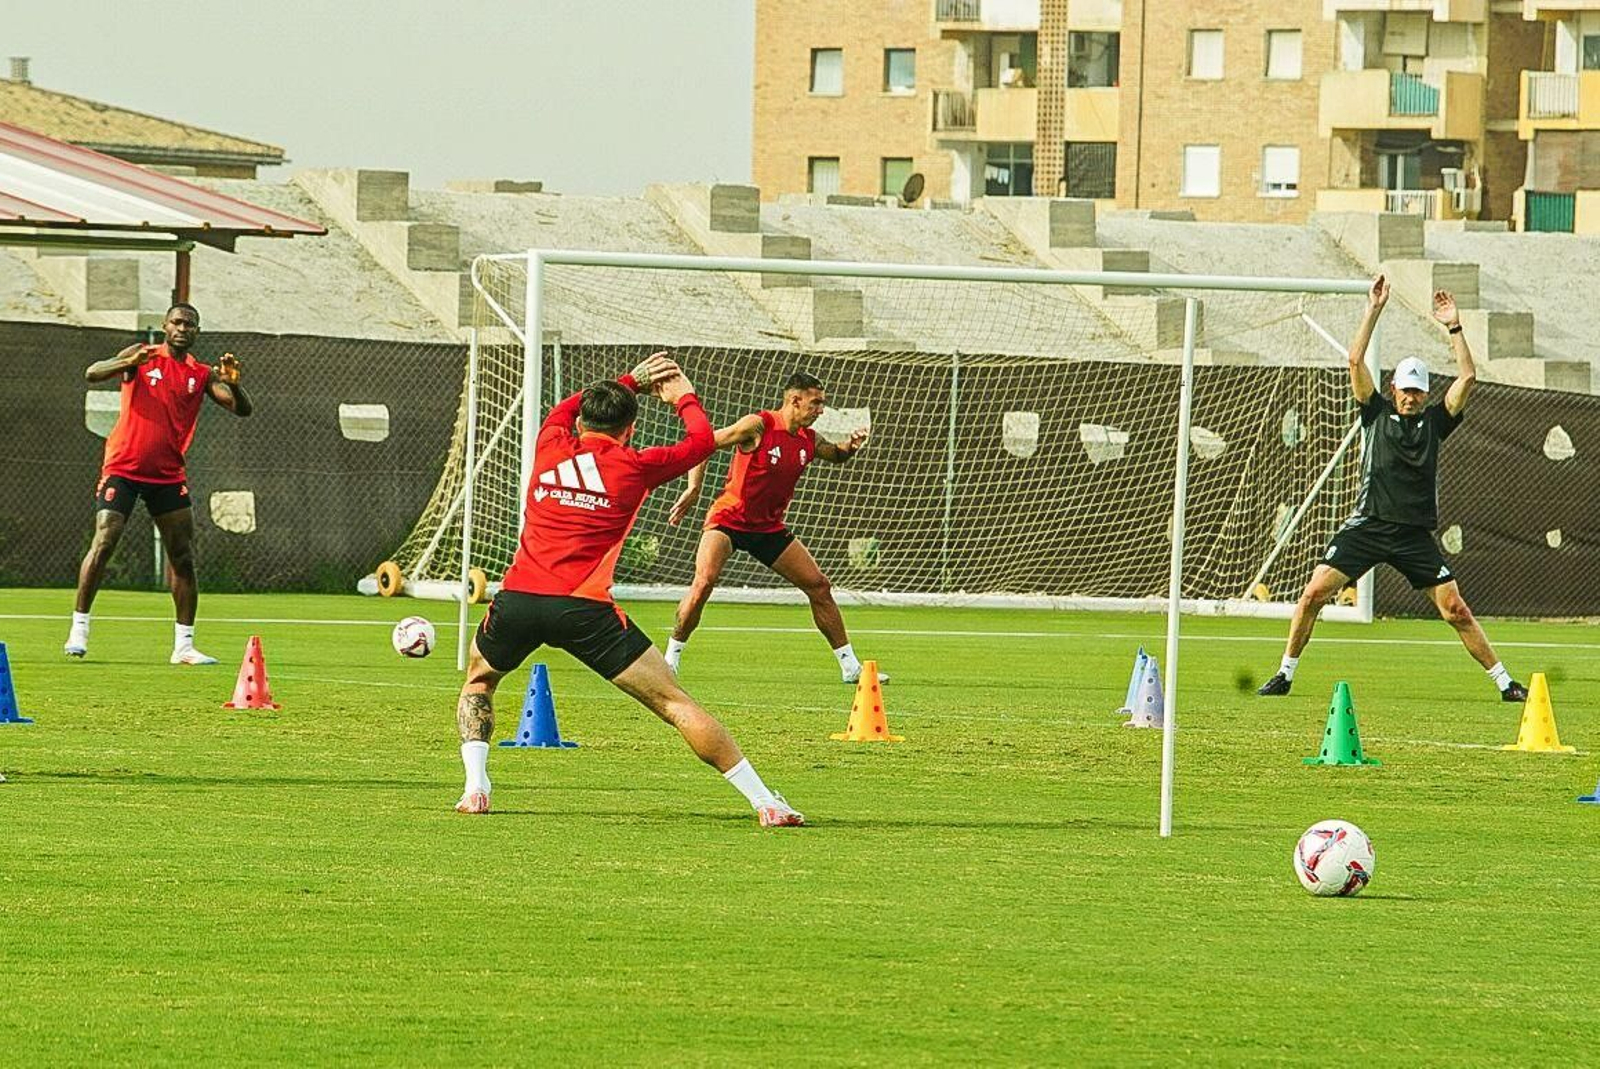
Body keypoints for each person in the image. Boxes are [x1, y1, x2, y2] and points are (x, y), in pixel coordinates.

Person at [454, 352, 803, 827]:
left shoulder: (550, 441)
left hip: (519, 600)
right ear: (631, 429)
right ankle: (765, 801)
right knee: (675, 704)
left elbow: (564, 408)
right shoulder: (637, 466)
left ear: (581, 421)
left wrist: (630, 381)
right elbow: (701, 443)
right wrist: (683, 397)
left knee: (479, 681)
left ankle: (476, 788)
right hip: (585, 609)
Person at [1257, 277, 1527, 703]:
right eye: (1406, 389)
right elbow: (1353, 359)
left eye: (1419, 390)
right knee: (1312, 594)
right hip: (1368, 526)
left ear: (1425, 393)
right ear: (1394, 389)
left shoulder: (1436, 422)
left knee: (1456, 610)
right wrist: (1374, 308)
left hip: (1413, 536)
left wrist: (1454, 327)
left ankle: (1506, 683)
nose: (1412, 397)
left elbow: (1469, 376)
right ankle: (1284, 674)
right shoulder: (1374, 412)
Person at [664, 372, 885, 684]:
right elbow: (704, 444)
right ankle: (671, 657)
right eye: (816, 402)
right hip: (728, 520)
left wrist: (851, 445)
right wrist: (694, 489)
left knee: (819, 586)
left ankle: (850, 667)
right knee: (705, 581)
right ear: (795, 400)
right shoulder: (758, 425)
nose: (821, 409)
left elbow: (836, 455)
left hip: (768, 529)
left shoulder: (809, 439)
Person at [65, 303, 253, 664]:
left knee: (182, 556)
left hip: (167, 475)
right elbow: (92, 372)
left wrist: (234, 385)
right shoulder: (140, 355)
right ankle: (80, 628)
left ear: (197, 331)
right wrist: (125, 364)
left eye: (190, 324)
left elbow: (240, 409)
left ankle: (183, 646)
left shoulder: (200, 373)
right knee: (105, 539)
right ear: (165, 326)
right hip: (123, 467)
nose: (183, 328)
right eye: (177, 322)